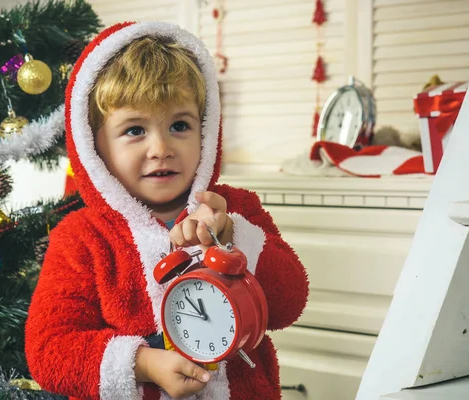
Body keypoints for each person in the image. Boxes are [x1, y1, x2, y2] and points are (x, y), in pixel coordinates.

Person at [25, 21, 309, 400]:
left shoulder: (237, 210)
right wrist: (143, 364)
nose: (160, 148)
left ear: (206, 132)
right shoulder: (81, 238)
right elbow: (49, 351)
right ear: (96, 147)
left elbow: (290, 302)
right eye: (134, 130)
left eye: (179, 125)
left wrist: (232, 241)